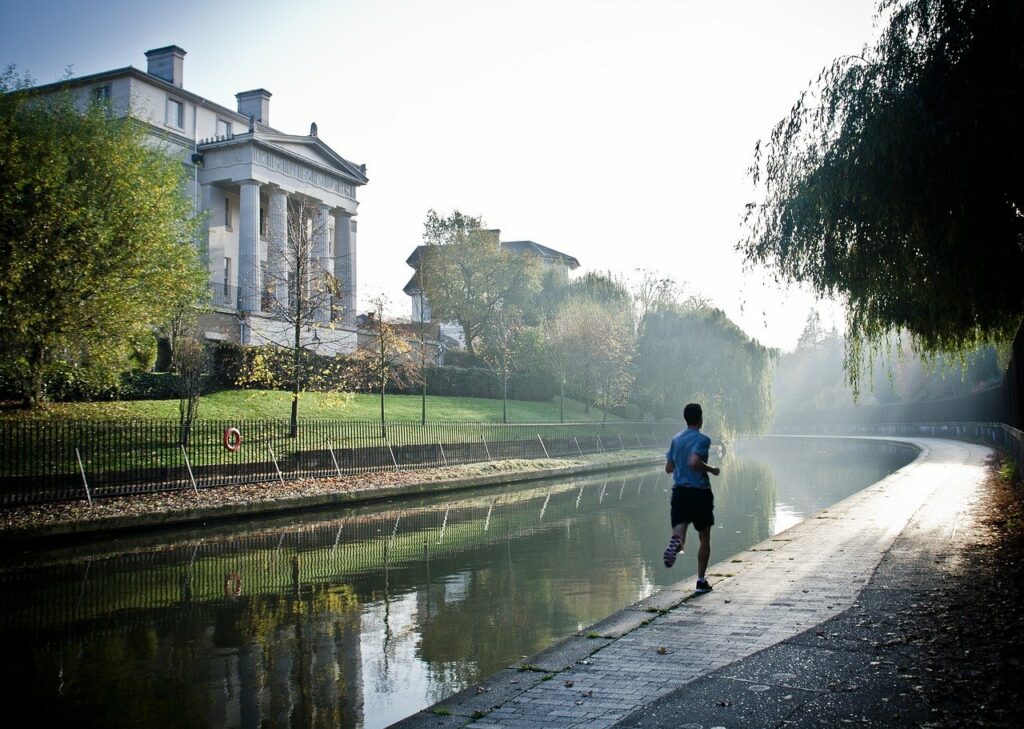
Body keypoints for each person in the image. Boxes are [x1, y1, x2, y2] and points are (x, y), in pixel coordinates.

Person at [663, 402, 720, 593]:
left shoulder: (676, 439)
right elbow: (695, 461)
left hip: (679, 492)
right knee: (704, 537)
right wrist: (712, 469)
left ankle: (676, 543)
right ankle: (701, 582)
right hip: (699, 493)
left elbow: (669, 467)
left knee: (679, 534)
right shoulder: (702, 439)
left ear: (686, 419)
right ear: (700, 418)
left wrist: (680, 466)